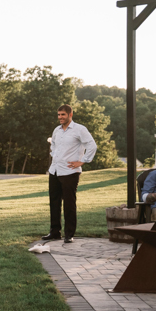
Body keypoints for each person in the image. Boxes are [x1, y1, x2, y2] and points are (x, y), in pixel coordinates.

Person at [42, 104, 96, 244]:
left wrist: (82, 161)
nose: (60, 117)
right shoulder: (57, 130)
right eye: (59, 114)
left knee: (69, 204)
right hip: (55, 170)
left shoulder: (80, 129)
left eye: (63, 115)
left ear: (70, 115)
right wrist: (54, 155)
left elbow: (92, 145)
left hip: (70, 172)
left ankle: (69, 234)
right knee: (54, 202)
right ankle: (55, 232)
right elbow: (53, 144)